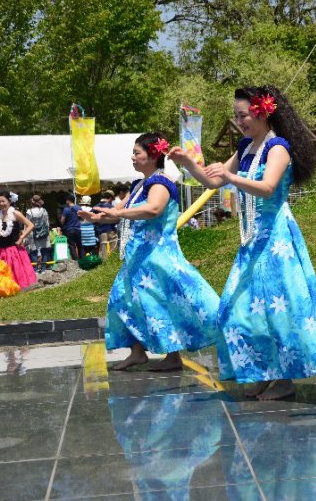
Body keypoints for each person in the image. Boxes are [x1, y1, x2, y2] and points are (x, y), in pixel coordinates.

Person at [169, 85, 316, 401]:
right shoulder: (246, 147)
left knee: (278, 310)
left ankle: (284, 378)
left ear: (263, 112)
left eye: (243, 116)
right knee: (234, 310)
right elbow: (213, 180)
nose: (239, 122)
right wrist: (189, 163)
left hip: (276, 239)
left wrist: (231, 178)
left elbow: (267, 187)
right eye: (236, 116)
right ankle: (264, 371)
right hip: (251, 241)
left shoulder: (277, 147)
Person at [82, 133, 219, 372]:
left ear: (153, 155)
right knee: (122, 299)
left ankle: (173, 356)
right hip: (138, 256)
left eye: (137, 153)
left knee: (157, 302)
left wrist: (117, 213)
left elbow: (153, 209)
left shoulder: (161, 183)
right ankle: (137, 352)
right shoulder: (138, 185)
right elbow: (117, 211)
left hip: (158, 255)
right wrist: (96, 217)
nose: (132, 157)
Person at [0, 192, 36, 289]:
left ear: (9, 201)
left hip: (14, 249)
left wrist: (21, 237)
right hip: (1, 249)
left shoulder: (15, 213)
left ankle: (16, 287)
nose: (1, 204)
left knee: (16, 270)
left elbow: (30, 225)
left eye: (3, 201)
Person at [25, 194, 51, 273]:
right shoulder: (44, 210)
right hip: (43, 233)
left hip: (33, 233)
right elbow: (47, 223)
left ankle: (36, 269)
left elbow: (27, 224)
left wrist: (25, 235)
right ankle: (43, 269)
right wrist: (47, 232)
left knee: (33, 251)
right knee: (44, 250)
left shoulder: (29, 212)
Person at [60, 194, 83, 260]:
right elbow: (82, 218)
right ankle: (82, 260)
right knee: (80, 245)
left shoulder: (66, 209)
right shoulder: (79, 208)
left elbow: (62, 221)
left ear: (68, 201)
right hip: (78, 229)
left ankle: (75, 261)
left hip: (70, 229)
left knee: (72, 246)